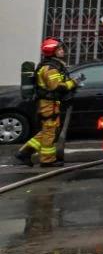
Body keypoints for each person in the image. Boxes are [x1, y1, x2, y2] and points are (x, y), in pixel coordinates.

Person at [13, 38, 77, 167]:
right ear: (52, 52)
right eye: (59, 49)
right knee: (50, 132)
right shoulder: (50, 68)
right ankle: (47, 160)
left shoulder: (53, 65)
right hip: (48, 104)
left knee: (48, 131)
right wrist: (73, 83)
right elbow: (56, 87)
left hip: (50, 103)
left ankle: (25, 152)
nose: (62, 51)